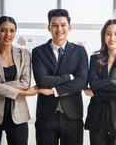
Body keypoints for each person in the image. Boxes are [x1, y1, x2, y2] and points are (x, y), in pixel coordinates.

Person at [32, 9, 88, 145]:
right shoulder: (38, 52)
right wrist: (68, 77)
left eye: (63, 25)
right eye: (54, 25)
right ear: (48, 27)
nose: (59, 29)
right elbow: (42, 81)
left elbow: (81, 82)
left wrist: (55, 90)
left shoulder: (79, 51)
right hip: (46, 116)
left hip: (72, 115)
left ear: (70, 27)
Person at [0, 16, 38, 145]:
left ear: (15, 32)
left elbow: (25, 83)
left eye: (11, 30)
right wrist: (24, 93)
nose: (8, 34)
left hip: (19, 116)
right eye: (3, 30)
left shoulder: (25, 54)